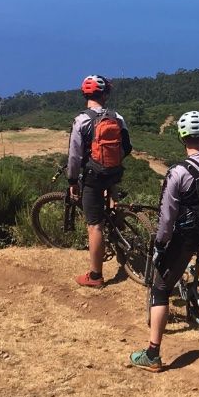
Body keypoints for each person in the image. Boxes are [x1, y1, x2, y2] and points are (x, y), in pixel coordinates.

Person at [129, 110, 199, 371]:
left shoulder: (177, 172)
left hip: (187, 236)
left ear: (181, 137)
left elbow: (166, 217)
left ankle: (153, 354)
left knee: (160, 289)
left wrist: (161, 245)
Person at [67, 75, 132, 288]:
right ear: (104, 95)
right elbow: (127, 147)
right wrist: (112, 162)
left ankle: (95, 276)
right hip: (114, 172)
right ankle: (119, 225)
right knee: (111, 197)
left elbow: (75, 156)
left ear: (85, 95)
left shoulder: (81, 120)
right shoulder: (117, 117)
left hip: (93, 177)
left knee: (94, 226)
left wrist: (72, 180)